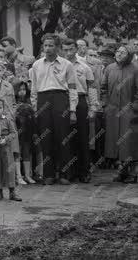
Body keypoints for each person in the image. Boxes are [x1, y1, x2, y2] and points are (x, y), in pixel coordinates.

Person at [29, 33, 78, 185]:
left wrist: (72, 110)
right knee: (46, 138)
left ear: (57, 47)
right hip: (43, 100)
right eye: (45, 45)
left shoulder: (66, 65)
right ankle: (48, 174)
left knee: (63, 138)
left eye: (51, 45)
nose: (48, 48)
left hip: (60, 98)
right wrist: (35, 108)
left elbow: (73, 88)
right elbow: (34, 89)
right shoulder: (36, 65)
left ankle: (64, 173)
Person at [61, 37, 97, 183]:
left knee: (82, 137)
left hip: (81, 102)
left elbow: (92, 87)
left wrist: (93, 106)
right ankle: (69, 172)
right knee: (66, 138)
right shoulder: (59, 65)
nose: (68, 52)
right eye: (65, 49)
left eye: (71, 49)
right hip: (63, 101)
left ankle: (84, 171)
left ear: (76, 49)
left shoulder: (84, 67)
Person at [101, 44, 138, 183]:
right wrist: (105, 104)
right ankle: (121, 171)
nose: (119, 54)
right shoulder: (110, 68)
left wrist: (135, 107)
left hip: (130, 112)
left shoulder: (135, 69)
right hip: (113, 111)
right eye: (118, 51)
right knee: (115, 144)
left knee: (129, 144)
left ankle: (133, 173)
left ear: (129, 55)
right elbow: (103, 88)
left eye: (123, 52)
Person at [14, 81, 37, 185]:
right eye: (20, 90)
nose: (22, 92)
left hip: (28, 131)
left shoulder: (29, 101)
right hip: (16, 130)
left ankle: (27, 175)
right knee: (17, 152)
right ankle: (18, 175)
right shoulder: (13, 102)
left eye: (24, 89)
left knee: (27, 151)